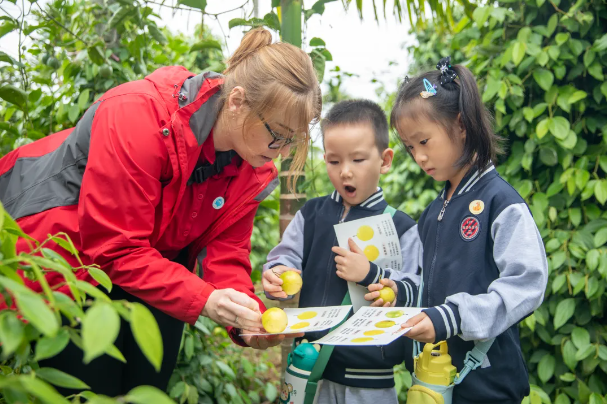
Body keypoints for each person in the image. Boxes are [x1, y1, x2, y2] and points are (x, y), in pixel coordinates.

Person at [0, 28, 320, 395]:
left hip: (152, 273)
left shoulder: (252, 165)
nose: (281, 151)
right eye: (277, 135)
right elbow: (114, 247)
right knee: (88, 390)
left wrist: (243, 319)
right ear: (237, 100)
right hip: (73, 263)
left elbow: (226, 252)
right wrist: (205, 299)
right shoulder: (138, 116)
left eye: (292, 140)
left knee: (145, 390)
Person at [373, 57, 548, 403]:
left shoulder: (501, 202)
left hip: (487, 384)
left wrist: (452, 317)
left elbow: (528, 284)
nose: (419, 157)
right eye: (410, 147)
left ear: (461, 124)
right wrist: (400, 291)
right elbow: (426, 282)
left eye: (424, 141)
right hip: (435, 383)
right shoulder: (433, 212)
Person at [262, 99, 421, 404]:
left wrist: (372, 275)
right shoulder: (312, 214)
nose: (345, 172)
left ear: (385, 161)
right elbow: (285, 256)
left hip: (371, 382)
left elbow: (415, 289)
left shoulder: (401, 227)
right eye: (334, 162)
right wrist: (279, 273)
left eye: (358, 160)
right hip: (310, 370)